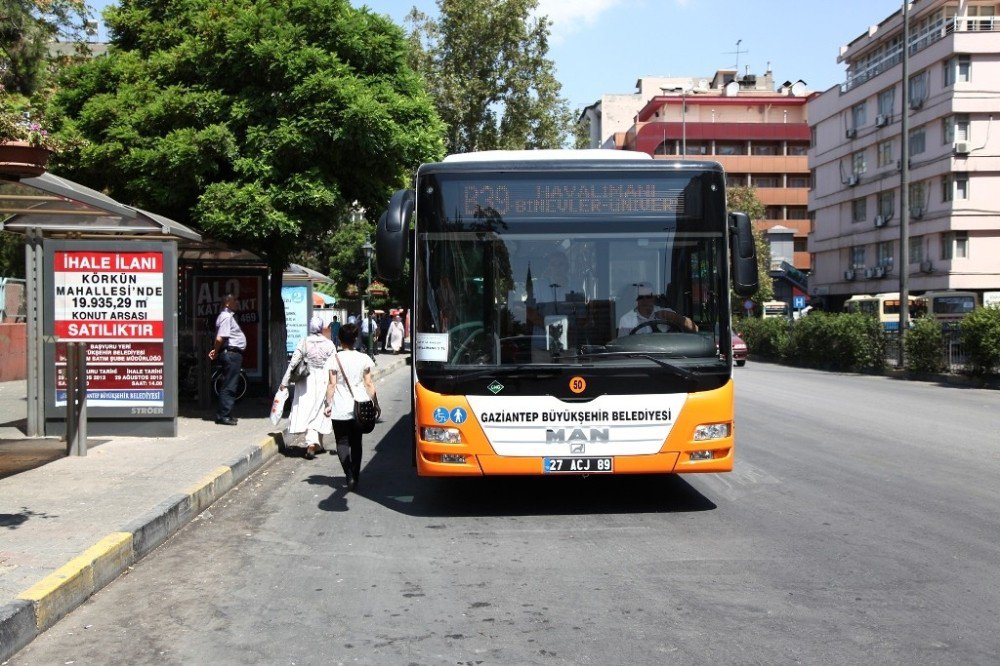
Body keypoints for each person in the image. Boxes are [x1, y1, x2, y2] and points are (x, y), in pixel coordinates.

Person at [323, 323, 380, 492]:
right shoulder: (364, 358)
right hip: (360, 405)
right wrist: (375, 403)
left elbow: (331, 385)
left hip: (340, 408)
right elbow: (368, 383)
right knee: (357, 443)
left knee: (341, 441)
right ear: (355, 339)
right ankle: (356, 474)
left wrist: (328, 404)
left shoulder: (335, 358)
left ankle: (348, 475)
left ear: (340, 340)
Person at [279, 315, 337, 459]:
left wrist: (284, 382)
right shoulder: (329, 344)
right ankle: (314, 443)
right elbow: (335, 366)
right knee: (320, 410)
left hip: (306, 381)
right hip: (324, 379)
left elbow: (293, 363)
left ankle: (315, 443)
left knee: (309, 410)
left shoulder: (304, 342)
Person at [208, 293, 246, 425]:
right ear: (227, 303)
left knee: (230, 384)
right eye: (235, 300)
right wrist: (215, 351)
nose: (237, 303)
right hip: (231, 354)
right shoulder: (226, 316)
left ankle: (227, 414)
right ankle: (223, 415)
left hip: (232, 354)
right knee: (229, 385)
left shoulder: (228, 316)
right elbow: (220, 337)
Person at [617, 284, 697, 336]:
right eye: (641, 297)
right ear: (636, 299)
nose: (645, 300)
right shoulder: (626, 320)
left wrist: (676, 318)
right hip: (638, 358)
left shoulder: (667, 312)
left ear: (654, 297)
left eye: (648, 296)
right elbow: (622, 346)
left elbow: (695, 330)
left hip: (666, 356)